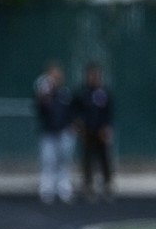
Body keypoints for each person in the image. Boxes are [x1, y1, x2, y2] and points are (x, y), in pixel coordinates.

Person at [32, 60, 76, 204]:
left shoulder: (65, 93)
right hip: (48, 132)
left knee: (64, 162)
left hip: (64, 132)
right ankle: (47, 190)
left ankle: (64, 190)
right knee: (48, 162)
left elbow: (71, 112)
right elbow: (40, 109)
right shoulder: (44, 94)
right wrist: (45, 92)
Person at [73, 61, 114, 201]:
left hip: (100, 131)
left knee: (104, 159)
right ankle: (88, 186)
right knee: (87, 160)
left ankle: (107, 185)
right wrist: (79, 125)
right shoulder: (82, 93)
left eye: (95, 75)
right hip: (87, 131)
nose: (93, 77)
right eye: (91, 75)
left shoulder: (103, 93)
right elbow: (76, 111)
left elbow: (108, 112)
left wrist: (107, 127)